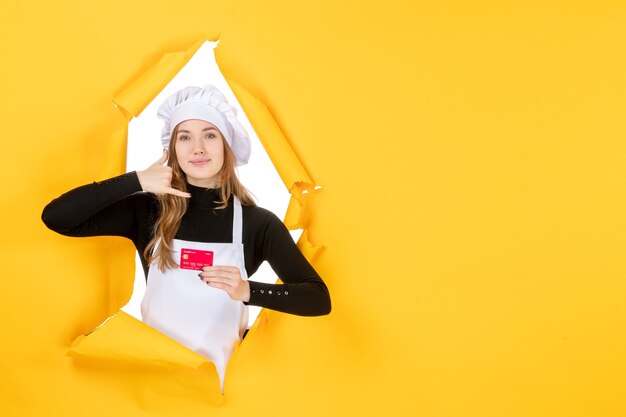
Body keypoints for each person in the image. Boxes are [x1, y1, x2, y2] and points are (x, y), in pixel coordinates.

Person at [41, 85, 331, 388]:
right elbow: (58, 218)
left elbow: (317, 298)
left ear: (226, 145)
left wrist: (247, 290)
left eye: (209, 135)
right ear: (173, 149)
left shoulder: (257, 223)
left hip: (220, 396)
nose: (198, 148)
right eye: (185, 137)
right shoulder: (148, 211)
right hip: (154, 390)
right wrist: (135, 180)